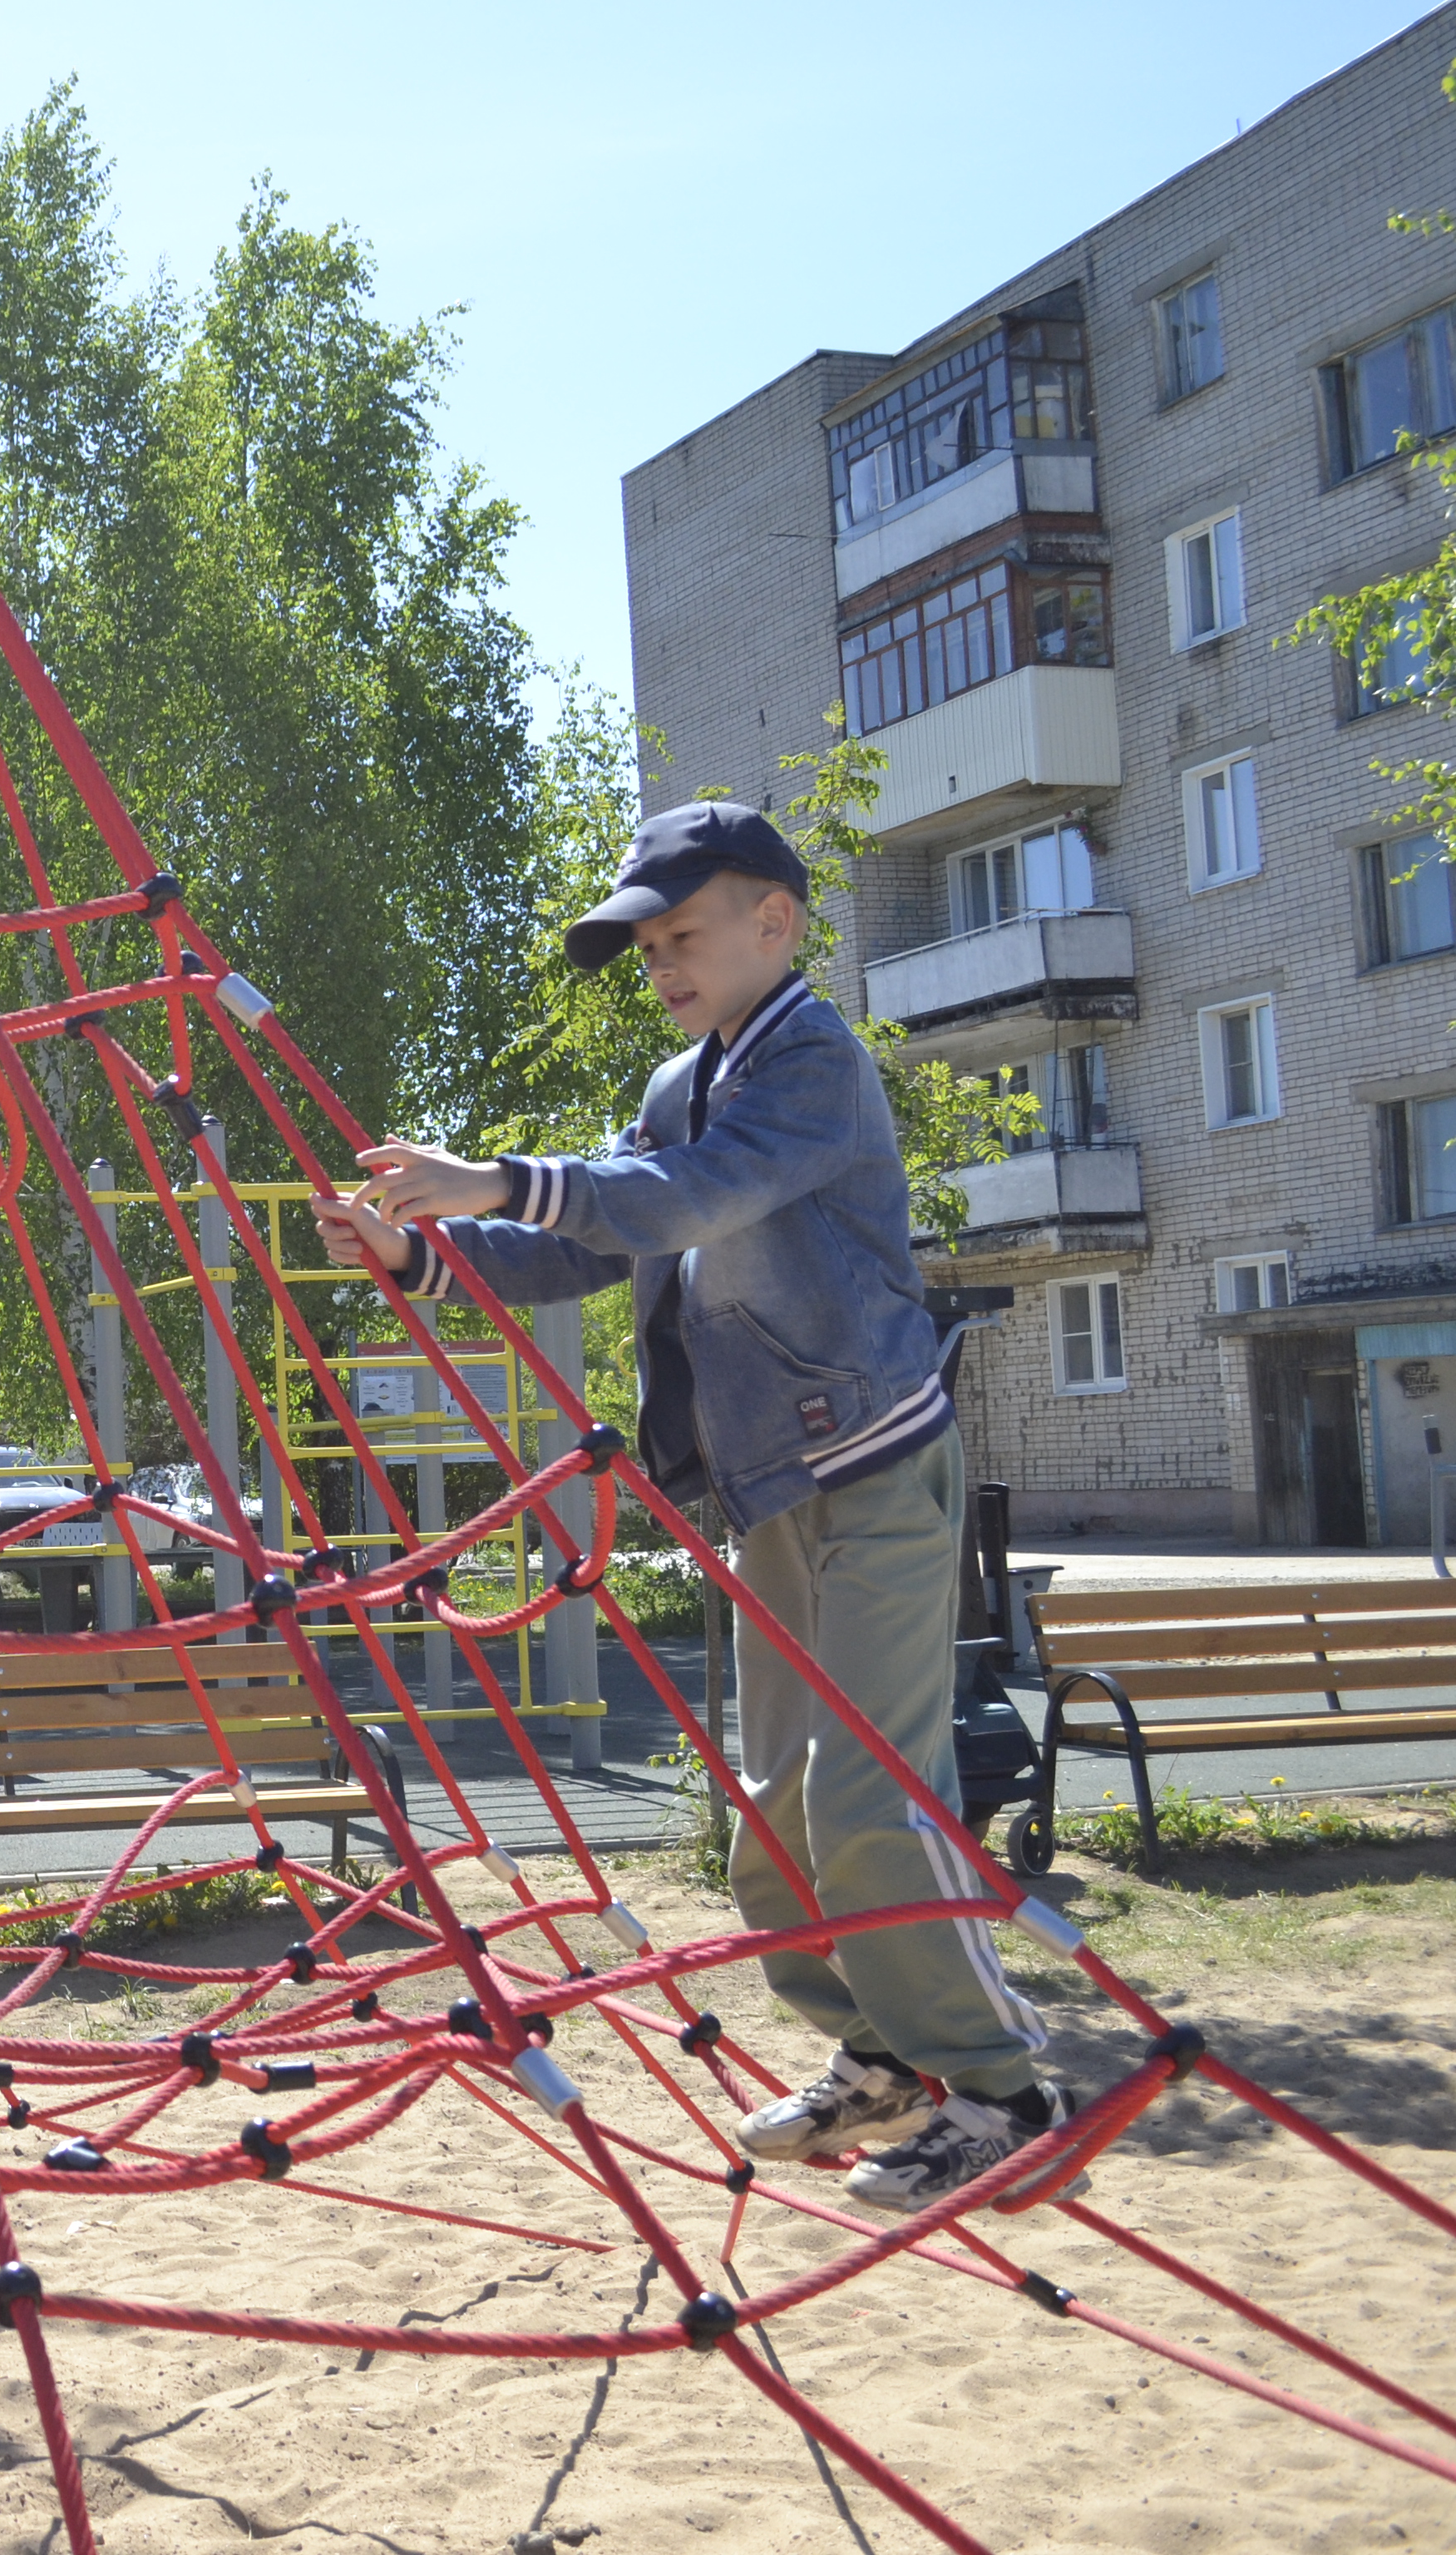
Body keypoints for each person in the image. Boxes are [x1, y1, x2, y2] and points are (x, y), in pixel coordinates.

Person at [310, 800, 1065, 2216]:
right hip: (765, 1483)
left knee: (866, 1794)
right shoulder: (680, 1082)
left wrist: (497, 1174)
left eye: (680, 931)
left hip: (877, 1469)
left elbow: (679, 1199)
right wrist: (419, 1251)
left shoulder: (814, 1067)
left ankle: (1006, 2087)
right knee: (770, 1811)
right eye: (644, 942)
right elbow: (591, 1236)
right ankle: (876, 2056)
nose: (658, 959)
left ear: (772, 922)